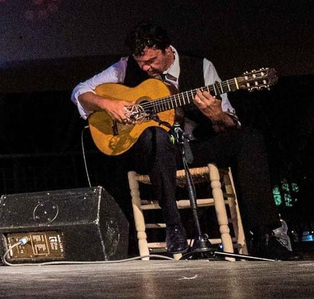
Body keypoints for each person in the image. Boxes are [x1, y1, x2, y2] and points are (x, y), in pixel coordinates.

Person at [73, 21, 295, 258]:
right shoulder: (125, 67)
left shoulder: (201, 67)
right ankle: (174, 227)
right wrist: (109, 104)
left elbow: (229, 123)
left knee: (249, 138)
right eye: (141, 63)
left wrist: (217, 116)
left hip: (194, 146)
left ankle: (265, 232)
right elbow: (80, 90)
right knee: (156, 135)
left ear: (168, 49)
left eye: (151, 61)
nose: (146, 68)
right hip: (153, 151)